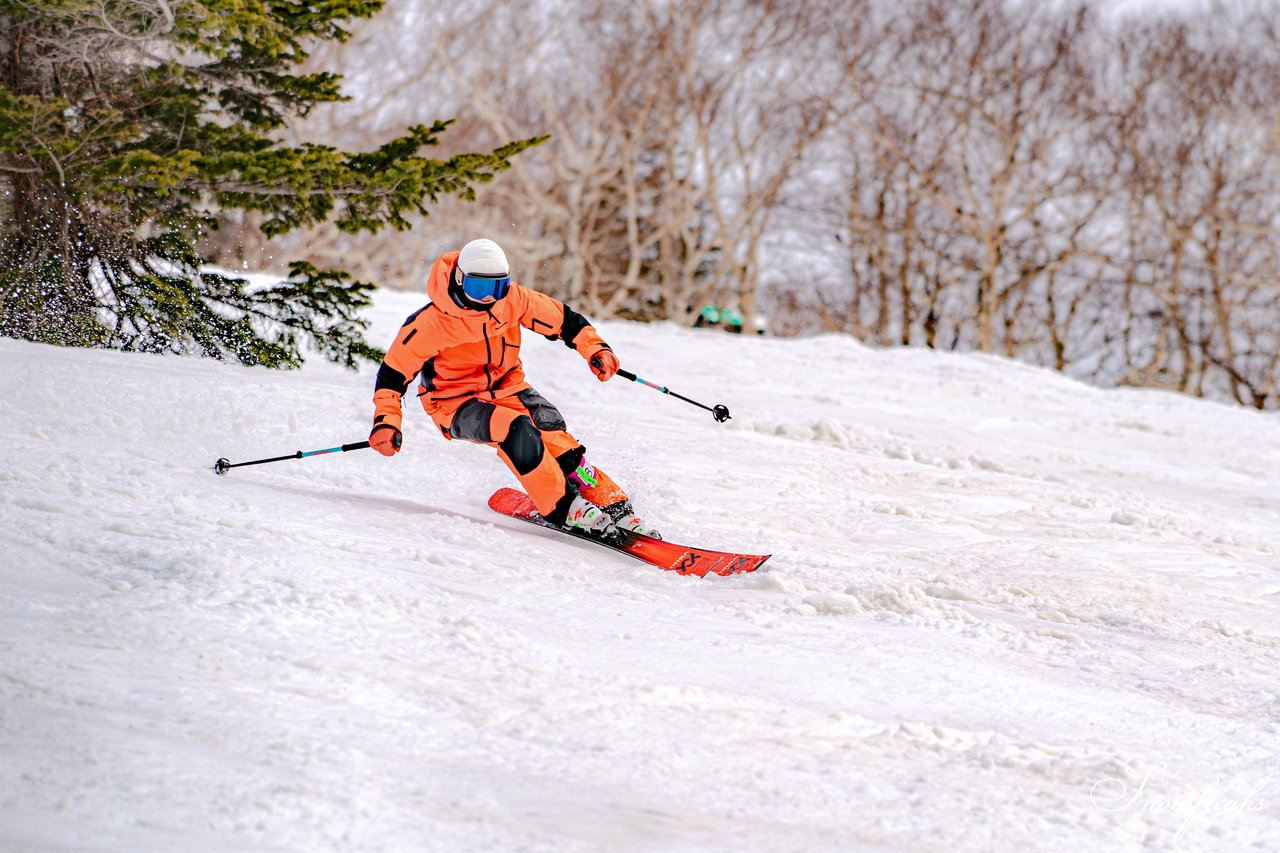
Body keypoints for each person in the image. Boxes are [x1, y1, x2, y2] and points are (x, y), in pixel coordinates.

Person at [367, 238, 660, 540]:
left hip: (509, 388)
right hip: (454, 404)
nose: (488, 299)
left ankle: (614, 506)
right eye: (479, 289)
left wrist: (596, 349)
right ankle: (563, 508)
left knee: (554, 436)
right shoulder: (429, 324)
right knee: (517, 429)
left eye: (498, 288)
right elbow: (392, 378)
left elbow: (565, 321)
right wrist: (386, 422)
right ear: (459, 280)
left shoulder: (512, 301)